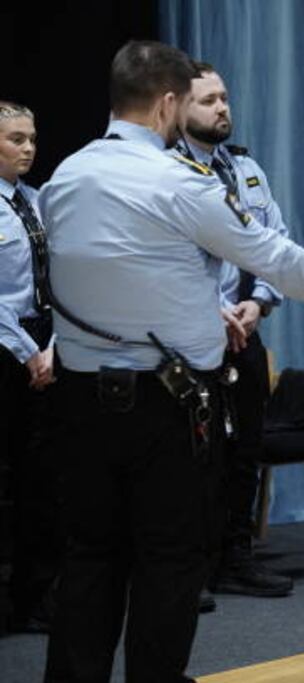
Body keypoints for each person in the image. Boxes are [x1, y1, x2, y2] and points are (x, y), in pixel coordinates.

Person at [38, 40, 304, 683]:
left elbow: (100, 274)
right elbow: (271, 254)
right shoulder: (179, 182)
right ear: (168, 104)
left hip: (79, 400)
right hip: (165, 405)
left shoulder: (65, 176)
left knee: (90, 555)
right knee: (169, 556)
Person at [176, 61, 293, 600]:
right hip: (188, 340)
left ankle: (236, 556)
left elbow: (276, 243)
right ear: (178, 108)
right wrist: (210, 313)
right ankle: (192, 568)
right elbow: (161, 263)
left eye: (224, 97)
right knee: (194, 458)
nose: (222, 108)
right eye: (207, 100)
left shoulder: (246, 169)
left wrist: (260, 303)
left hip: (245, 330)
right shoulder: (166, 173)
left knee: (246, 447)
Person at [0, 101, 60, 633]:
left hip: (46, 344)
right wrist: (26, 352)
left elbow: (64, 281)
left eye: (32, 138)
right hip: (6, 347)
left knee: (44, 479)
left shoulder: (37, 203)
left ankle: (37, 593)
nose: (28, 148)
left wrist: (55, 345)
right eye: (16, 138)